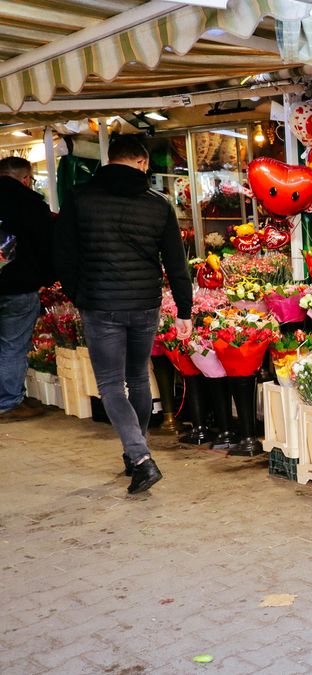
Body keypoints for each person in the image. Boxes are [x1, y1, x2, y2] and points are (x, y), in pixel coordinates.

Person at [54, 136, 193, 494]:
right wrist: (184, 310)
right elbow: (176, 263)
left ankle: (141, 458)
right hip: (145, 303)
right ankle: (136, 452)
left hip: (101, 304)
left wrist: (80, 294)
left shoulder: (80, 198)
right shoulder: (158, 204)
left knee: (112, 385)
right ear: (142, 163)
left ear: (110, 159)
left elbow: (64, 255)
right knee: (139, 378)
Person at [0, 156, 54, 422]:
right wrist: (47, 278)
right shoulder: (32, 205)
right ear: (25, 179)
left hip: (15, 284)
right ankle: (7, 403)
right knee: (12, 345)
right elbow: (47, 247)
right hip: (18, 287)